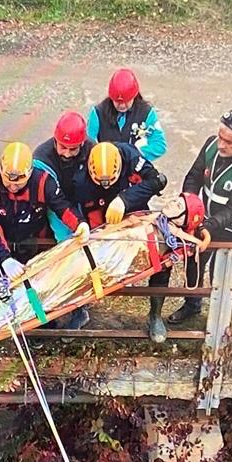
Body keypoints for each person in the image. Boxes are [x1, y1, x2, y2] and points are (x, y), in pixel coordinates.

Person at [0, 140, 90, 328]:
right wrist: (4, 258)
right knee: (1, 292)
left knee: (37, 289)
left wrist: (80, 225)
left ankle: (42, 325)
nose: (13, 187)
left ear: (29, 173)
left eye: (19, 182)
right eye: (8, 181)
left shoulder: (44, 181)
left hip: (33, 241)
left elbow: (61, 206)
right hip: (0, 245)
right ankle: (0, 326)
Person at [170, 108, 232, 324]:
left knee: (219, 270)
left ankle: (219, 313)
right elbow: (193, 177)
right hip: (207, 217)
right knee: (194, 260)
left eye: (230, 142)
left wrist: (208, 227)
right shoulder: (211, 145)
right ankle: (192, 304)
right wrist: (189, 203)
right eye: (221, 137)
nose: (222, 145)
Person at [73, 141, 170, 342]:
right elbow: (81, 207)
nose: (105, 184)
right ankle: (79, 310)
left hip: (135, 211)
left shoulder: (131, 157)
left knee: (162, 259)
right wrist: (91, 229)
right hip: (101, 220)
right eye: (100, 181)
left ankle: (155, 314)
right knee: (85, 259)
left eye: (109, 180)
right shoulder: (81, 178)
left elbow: (158, 180)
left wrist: (125, 199)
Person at [86, 68, 167, 163]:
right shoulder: (97, 113)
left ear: (134, 96)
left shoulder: (147, 113)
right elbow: (88, 145)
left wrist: (131, 154)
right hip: (106, 168)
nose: (122, 106)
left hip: (135, 167)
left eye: (126, 101)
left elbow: (159, 145)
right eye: (117, 102)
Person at [32, 110, 93, 234]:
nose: (67, 154)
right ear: (55, 140)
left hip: (87, 199)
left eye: (73, 149)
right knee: (67, 237)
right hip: (57, 203)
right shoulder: (41, 160)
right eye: (63, 147)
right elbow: (55, 201)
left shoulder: (92, 150)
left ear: (82, 143)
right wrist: (77, 223)